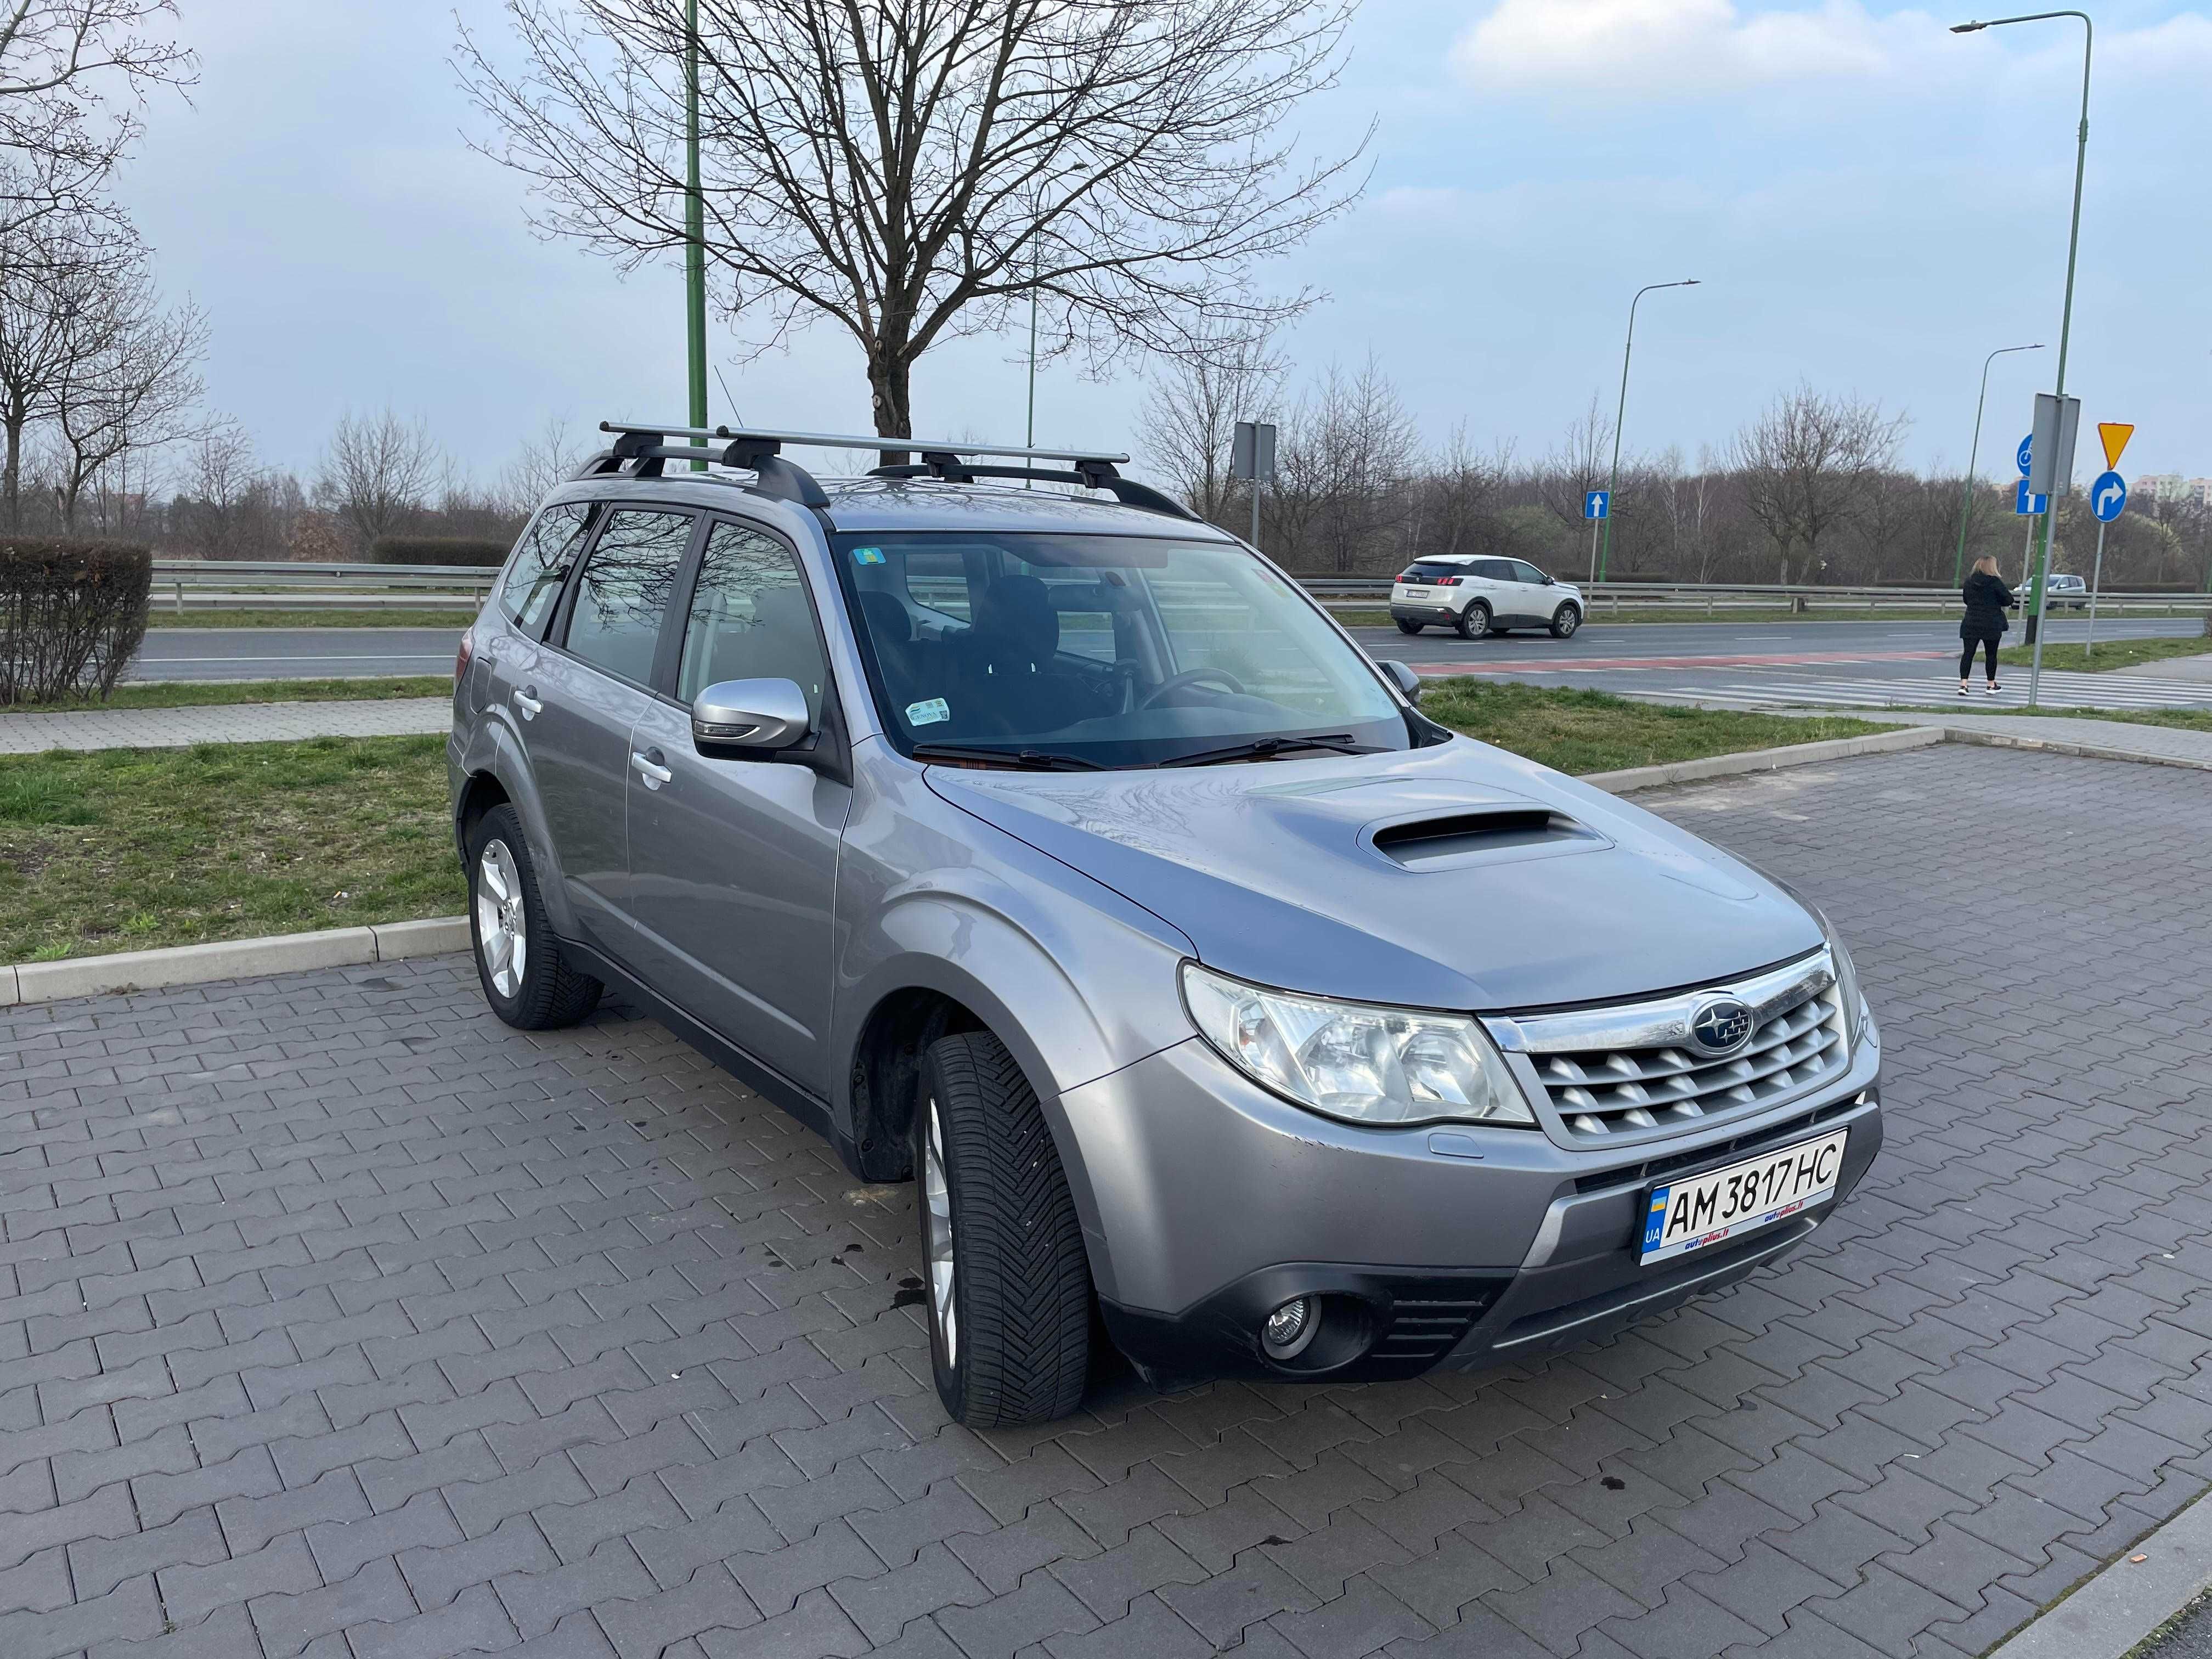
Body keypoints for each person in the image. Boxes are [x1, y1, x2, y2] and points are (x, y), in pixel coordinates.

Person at [1959, 555, 2017, 696]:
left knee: (1968, 654)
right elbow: (2009, 600)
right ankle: (1991, 684)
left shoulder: (1969, 582)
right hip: (1991, 623)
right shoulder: (1995, 582)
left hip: (1971, 622)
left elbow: (1966, 600)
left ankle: (1964, 685)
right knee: (1991, 655)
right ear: (1992, 567)